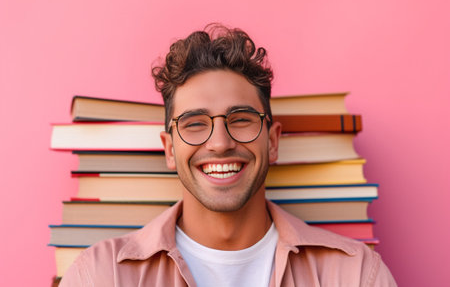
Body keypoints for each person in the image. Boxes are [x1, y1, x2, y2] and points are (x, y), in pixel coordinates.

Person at [60, 24, 397, 286]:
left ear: (273, 140)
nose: (220, 143)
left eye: (241, 120)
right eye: (194, 124)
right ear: (169, 148)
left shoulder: (355, 275)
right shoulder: (101, 276)